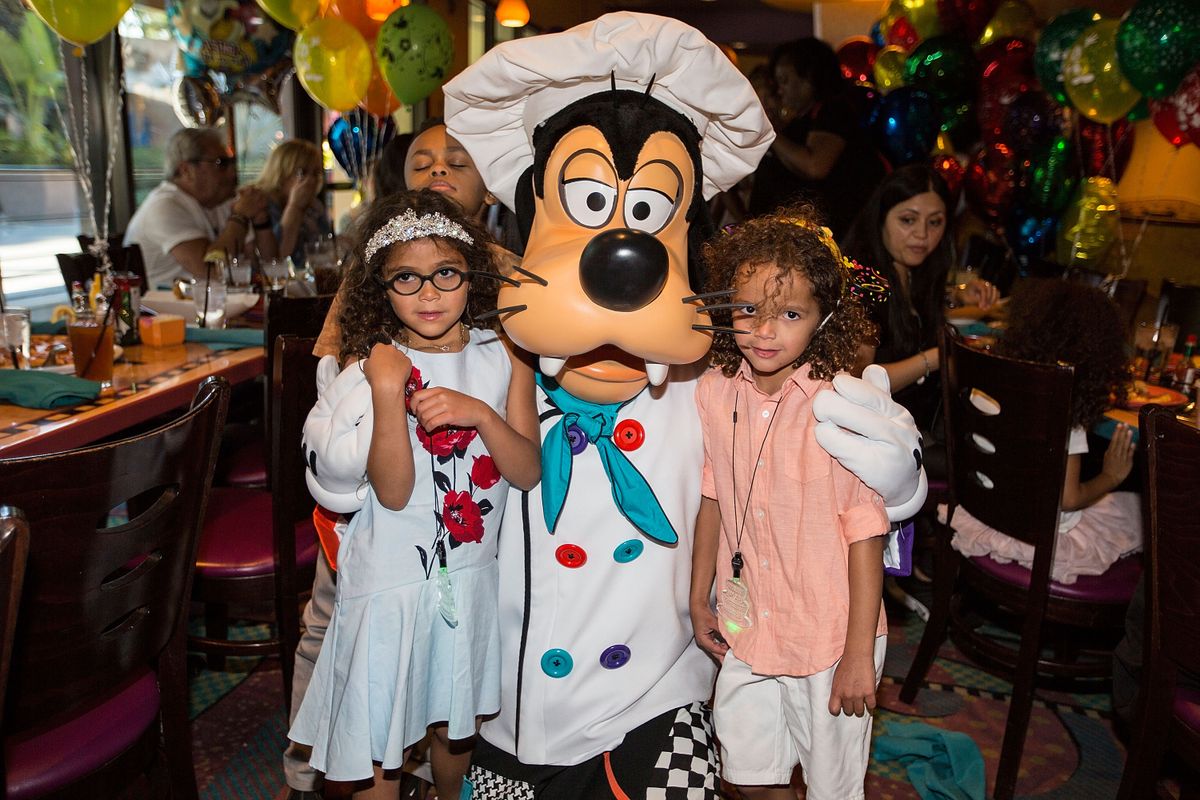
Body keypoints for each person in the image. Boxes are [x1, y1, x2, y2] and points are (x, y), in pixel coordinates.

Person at [288, 189, 540, 800]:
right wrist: (384, 391)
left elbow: (528, 471)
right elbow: (395, 494)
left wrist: (478, 413)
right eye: (406, 279)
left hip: (471, 575)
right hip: (391, 582)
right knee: (383, 735)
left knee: (457, 727)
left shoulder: (504, 355)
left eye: (445, 274)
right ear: (381, 286)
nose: (428, 295)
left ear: (470, 276)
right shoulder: (379, 364)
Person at [690, 210, 889, 800]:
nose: (765, 332)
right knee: (748, 774)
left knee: (830, 787)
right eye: (748, 309)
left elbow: (865, 531)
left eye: (791, 315)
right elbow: (713, 499)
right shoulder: (714, 389)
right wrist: (698, 594)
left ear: (823, 320)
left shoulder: (836, 409)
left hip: (829, 635)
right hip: (748, 624)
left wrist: (858, 653)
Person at [946, 279, 1141, 584]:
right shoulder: (1060, 398)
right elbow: (1069, 497)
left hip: (984, 511)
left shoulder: (991, 377)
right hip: (1041, 538)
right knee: (1141, 511)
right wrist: (1112, 476)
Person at [314, 119, 503, 360]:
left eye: (457, 163)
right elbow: (339, 355)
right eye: (422, 166)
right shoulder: (371, 266)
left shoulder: (509, 268)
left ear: (490, 190)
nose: (438, 170)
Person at [841, 164, 999, 444]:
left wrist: (959, 292)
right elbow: (858, 379)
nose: (922, 235)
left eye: (935, 222)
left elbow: (910, 319)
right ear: (880, 219)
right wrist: (936, 358)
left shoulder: (913, 271)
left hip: (916, 426)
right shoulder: (862, 284)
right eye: (908, 220)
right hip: (878, 439)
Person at [747, 38, 886, 239]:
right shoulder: (801, 120)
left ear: (809, 78)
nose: (779, 90)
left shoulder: (834, 112)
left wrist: (770, 131)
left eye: (785, 80)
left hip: (827, 234)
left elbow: (815, 166)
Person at [125, 127, 274, 288]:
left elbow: (267, 269)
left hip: (212, 305)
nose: (232, 172)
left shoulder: (219, 202)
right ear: (186, 170)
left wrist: (261, 219)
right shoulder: (164, 206)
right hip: (167, 310)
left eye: (231, 162)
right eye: (221, 163)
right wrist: (240, 216)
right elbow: (209, 271)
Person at [255, 139, 331, 268]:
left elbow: (326, 248)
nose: (311, 180)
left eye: (315, 173)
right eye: (302, 173)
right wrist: (294, 207)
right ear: (281, 173)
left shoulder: (314, 207)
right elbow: (277, 257)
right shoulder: (262, 205)